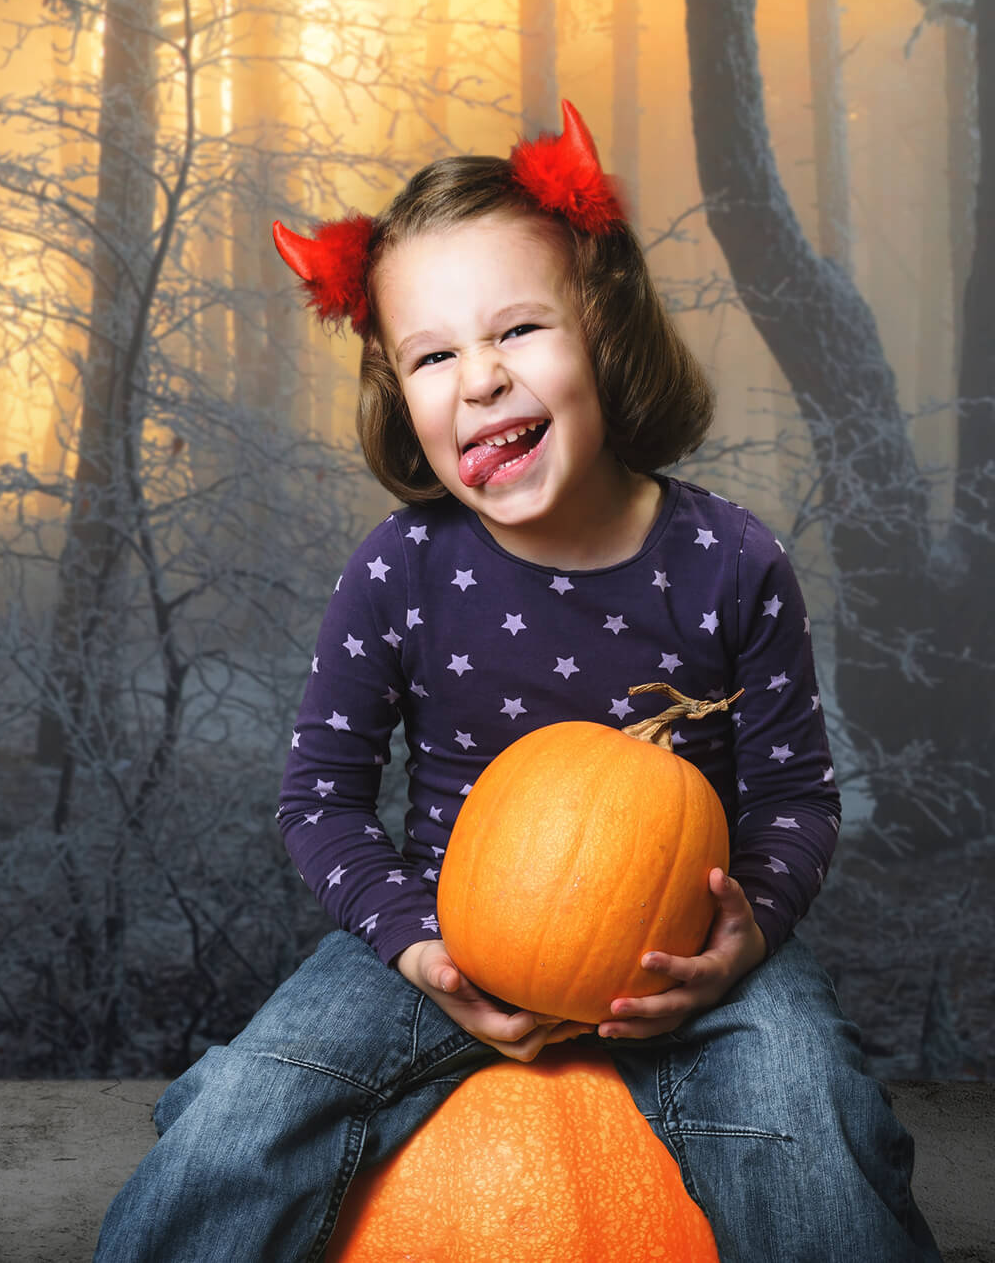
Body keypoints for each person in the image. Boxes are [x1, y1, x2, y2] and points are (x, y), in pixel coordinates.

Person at [94, 102, 941, 1263]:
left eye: (518, 331)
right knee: (241, 1118)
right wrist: (410, 946)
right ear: (399, 395)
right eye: (432, 356)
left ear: (602, 326)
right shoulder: (400, 569)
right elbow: (319, 803)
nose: (479, 379)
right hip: (448, 931)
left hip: (677, 951)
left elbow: (794, 797)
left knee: (812, 1122)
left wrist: (746, 938)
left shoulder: (730, 562)